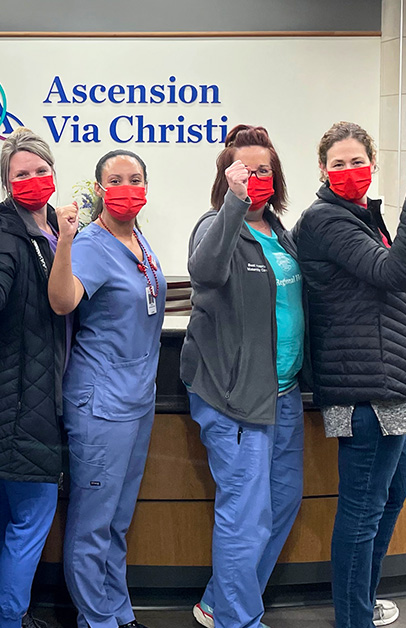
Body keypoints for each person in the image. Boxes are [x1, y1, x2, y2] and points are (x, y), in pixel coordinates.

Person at [294, 122, 406, 628]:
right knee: (362, 508)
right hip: (364, 386)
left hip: (380, 379)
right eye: (339, 163)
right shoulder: (324, 220)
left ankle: (363, 603)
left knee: (393, 490)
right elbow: (396, 272)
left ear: (372, 165)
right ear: (322, 169)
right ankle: (353, 618)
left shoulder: (358, 216)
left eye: (358, 161)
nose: (350, 171)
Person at [182, 125, 304, 628]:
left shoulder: (281, 233)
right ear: (225, 176)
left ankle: (218, 602)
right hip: (235, 398)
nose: (255, 178)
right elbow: (204, 271)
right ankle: (239, 620)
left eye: (263, 170)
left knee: (280, 505)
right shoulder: (215, 225)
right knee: (245, 517)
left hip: (284, 394)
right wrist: (233, 204)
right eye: (243, 170)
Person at [48, 149, 164, 628]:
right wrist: (65, 243)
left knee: (118, 519)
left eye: (135, 179)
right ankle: (94, 619)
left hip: (138, 402)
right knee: (94, 523)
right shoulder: (92, 244)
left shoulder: (139, 239)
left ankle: (118, 610)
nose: (127, 187)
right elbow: (62, 301)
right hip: (101, 404)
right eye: (115, 180)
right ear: (98, 189)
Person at [0, 127, 66, 628]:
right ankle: (10, 617)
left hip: (35, 391)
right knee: (31, 516)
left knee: (14, 512)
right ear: (5, 182)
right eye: (20, 174)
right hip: (22, 395)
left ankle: (8, 610)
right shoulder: (4, 230)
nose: (33, 180)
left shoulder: (50, 232)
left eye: (40, 171)